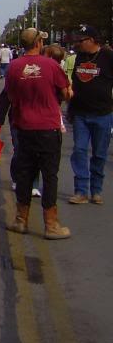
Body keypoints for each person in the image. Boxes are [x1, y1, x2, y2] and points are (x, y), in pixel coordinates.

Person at [4, 28, 71, 239]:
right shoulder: (51, 65)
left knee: (25, 174)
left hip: (24, 126)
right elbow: (66, 92)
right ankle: (51, 224)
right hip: (48, 127)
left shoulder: (14, 67)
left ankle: (20, 220)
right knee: (49, 176)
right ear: (39, 44)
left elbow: (11, 96)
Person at [66, 24, 113, 206]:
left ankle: (96, 190)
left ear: (92, 40)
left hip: (102, 113)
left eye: (81, 40)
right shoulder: (79, 57)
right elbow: (76, 83)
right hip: (80, 113)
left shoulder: (108, 56)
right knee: (79, 151)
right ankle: (81, 191)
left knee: (99, 154)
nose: (78, 44)